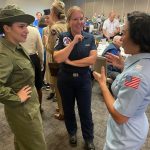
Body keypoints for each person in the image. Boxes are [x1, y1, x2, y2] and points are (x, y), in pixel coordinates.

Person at [93, 11, 150, 150]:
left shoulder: (136, 76)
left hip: (124, 138)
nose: (121, 37)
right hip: (133, 124)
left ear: (137, 38)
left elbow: (119, 116)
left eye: (124, 33)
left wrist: (103, 85)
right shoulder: (141, 62)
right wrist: (124, 66)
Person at [0, 5, 47, 150]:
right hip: (22, 111)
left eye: (26, 26)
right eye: (21, 26)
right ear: (7, 28)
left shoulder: (16, 46)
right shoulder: (4, 54)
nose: (27, 30)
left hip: (30, 107)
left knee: (23, 144)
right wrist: (17, 97)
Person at [54, 6, 97, 150]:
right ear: (69, 21)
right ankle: (72, 132)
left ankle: (88, 138)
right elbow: (58, 58)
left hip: (84, 80)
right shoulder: (63, 37)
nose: (79, 22)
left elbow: (92, 60)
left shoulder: (90, 37)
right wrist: (73, 43)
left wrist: (71, 62)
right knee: (68, 109)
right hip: (65, 80)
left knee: (85, 110)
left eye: (81, 19)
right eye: (75, 19)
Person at [46, 0, 67, 120]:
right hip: (66, 59)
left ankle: (62, 112)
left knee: (58, 88)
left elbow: (51, 47)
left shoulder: (55, 27)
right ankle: (63, 107)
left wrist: (46, 44)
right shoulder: (67, 24)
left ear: (53, 12)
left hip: (56, 61)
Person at [21, 25, 44, 113]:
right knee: (38, 86)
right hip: (33, 58)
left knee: (23, 86)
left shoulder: (13, 30)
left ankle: (25, 108)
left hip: (20, 57)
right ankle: (39, 107)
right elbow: (40, 48)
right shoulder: (34, 30)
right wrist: (41, 62)